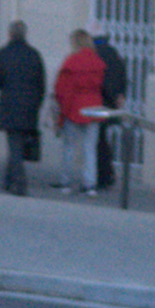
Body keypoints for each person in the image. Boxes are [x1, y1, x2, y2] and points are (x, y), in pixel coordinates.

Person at [0, 21, 46, 197]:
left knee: (14, 144)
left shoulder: (4, 53)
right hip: (29, 107)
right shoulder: (34, 55)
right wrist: (36, 104)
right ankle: (7, 180)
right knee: (16, 145)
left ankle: (20, 183)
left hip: (10, 105)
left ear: (10, 34)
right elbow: (41, 84)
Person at [53, 29, 107, 196]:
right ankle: (89, 184)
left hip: (74, 107)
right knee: (90, 148)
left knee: (69, 147)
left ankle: (65, 181)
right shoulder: (98, 62)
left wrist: (61, 109)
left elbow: (61, 88)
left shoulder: (71, 61)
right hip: (94, 108)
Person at [91, 31, 129, 190]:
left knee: (98, 141)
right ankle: (108, 173)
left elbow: (102, 80)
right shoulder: (115, 55)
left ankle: (104, 175)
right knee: (102, 140)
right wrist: (120, 96)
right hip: (112, 104)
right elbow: (123, 77)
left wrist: (110, 96)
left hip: (100, 102)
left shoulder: (97, 55)